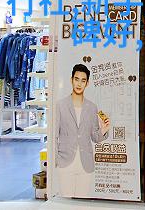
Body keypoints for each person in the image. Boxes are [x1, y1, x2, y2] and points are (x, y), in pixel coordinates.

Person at [55, 64, 110, 198]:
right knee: (66, 203)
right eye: (76, 79)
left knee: (82, 203)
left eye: (83, 80)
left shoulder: (92, 107)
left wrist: (103, 130)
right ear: (71, 80)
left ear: (87, 83)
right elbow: (54, 136)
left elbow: (95, 137)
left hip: (85, 164)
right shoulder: (60, 105)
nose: (79, 84)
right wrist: (56, 160)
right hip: (65, 162)